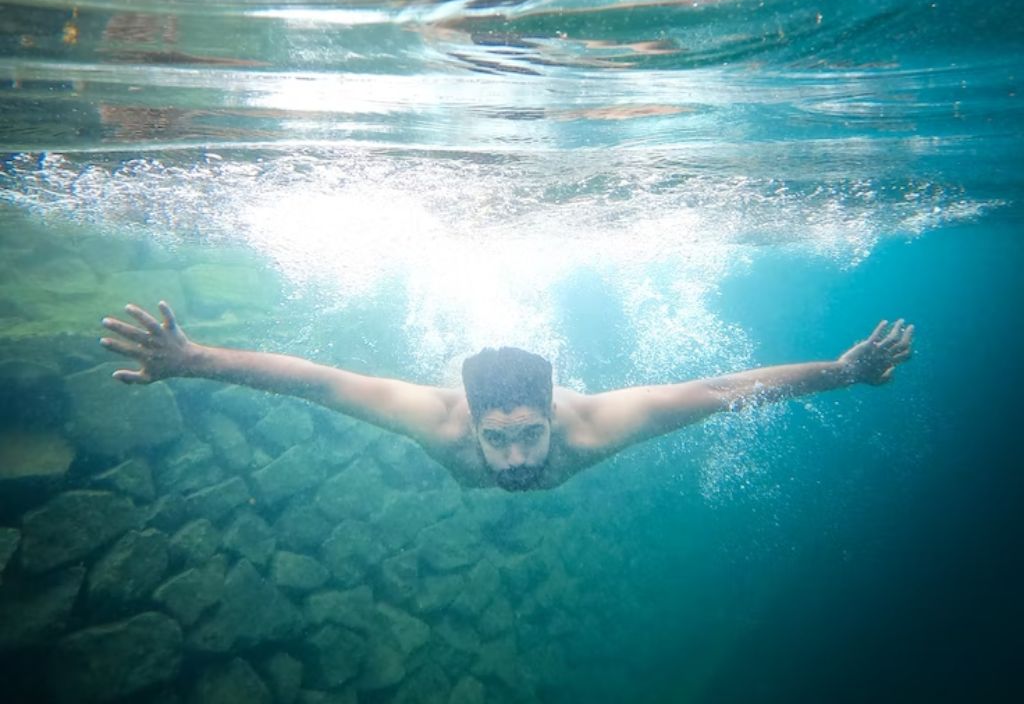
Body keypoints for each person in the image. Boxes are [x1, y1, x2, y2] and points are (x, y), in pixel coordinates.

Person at [101, 301, 914, 492]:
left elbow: (722, 389)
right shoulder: (436, 419)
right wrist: (194, 357)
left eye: (529, 434)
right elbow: (318, 381)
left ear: (552, 412)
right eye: (503, 441)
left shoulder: (593, 426)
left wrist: (842, 372)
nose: (520, 457)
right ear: (475, 425)